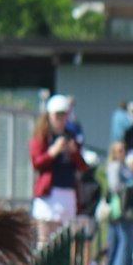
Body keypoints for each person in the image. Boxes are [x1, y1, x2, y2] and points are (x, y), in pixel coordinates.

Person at [30, 94, 86, 241]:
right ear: (49, 115)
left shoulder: (71, 135)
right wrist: (52, 152)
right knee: (45, 240)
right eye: (57, 115)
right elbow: (37, 163)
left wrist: (74, 152)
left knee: (63, 240)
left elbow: (82, 166)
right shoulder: (42, 136)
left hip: (67, 192)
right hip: (49, 195)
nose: (61, 119)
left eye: (64, 115)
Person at [103, 141, 133, 265]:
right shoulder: (115, 167)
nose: (123, 153)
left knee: (121, 243)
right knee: (124, 244)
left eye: (124, 149)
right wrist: (132, 184)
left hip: (127, 211)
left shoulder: (125, 167)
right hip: (122, 211)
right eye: (119, 150)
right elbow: (115, 187)